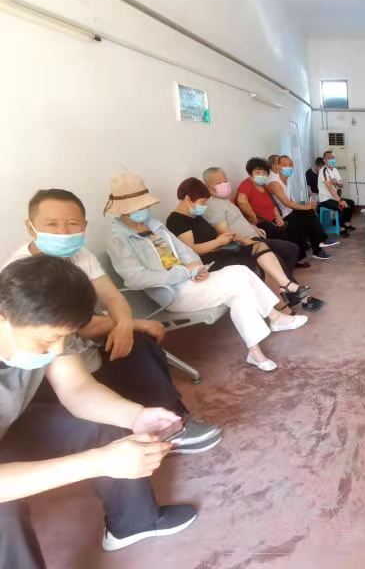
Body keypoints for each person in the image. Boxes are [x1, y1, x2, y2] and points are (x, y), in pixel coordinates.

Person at [0, 255, 197, 564]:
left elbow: (77, 389)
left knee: (98, 427)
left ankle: (133, 523)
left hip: (11, 426)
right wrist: (98, 462)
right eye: (49, 340)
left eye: (63, 337)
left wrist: (135, 415)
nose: (57, 349)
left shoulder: (46, 329)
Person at [6, 189, 221, 455]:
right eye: (52, 224)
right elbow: (72, 328)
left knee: (140, 344)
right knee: (134, 341)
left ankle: (173, 423)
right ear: (30, 227)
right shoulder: (22, 274)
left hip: (85, 344)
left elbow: (112, 296)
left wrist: (124, 325)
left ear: (84, 225)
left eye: (72, 223)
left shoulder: (80, 255)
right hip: (55, 365)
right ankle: (145, 428)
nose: (63, 232)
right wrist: (133, 324)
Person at [105, 173, 306, 372]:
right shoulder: (118, 239)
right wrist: (185, 272)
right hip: (173, 294)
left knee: (240, 294)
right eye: (138, 207)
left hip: (192, 281)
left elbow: (185, 251)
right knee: (240, 275)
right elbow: (135, 278)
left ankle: (255, 352)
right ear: (124, 210)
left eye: (145, 206)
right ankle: (275, 317)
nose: (144, 210)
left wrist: (195, 267)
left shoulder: (154, 226)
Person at [167, 178, 321, 312]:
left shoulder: (195, 216)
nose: (204, 206)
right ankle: (285, 299)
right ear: (188, 199)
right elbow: (192, 250)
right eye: (202, 202)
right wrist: (218, 241)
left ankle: (285, 287)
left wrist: (228, 239)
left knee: (262, 249)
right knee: (263, 261)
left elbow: (211, 237)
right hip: (210, 261)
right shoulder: (176, 220)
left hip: (222, 250)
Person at [268, 156, 337, 260]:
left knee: (310, 213)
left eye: (290, 164)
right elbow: (286, 203)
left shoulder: (286, 179)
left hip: (290, 211)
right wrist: (305, 207)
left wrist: (305, 206)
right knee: (307, 214)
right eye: (284, 164)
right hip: (283, 215)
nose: (288, 167)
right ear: (278, 166)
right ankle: (318, 245)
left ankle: (319, 245)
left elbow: (291, 201)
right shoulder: (274, 182)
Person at [319, 150, 356, 234]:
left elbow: (341, 185)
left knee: (351, 203)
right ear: (324, 160)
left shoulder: (335, 170)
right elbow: (330, 188)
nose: (332, 159)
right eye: (329, 158)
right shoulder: (323, 171)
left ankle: (346, 223)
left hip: (334, 197)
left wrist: (336, 183)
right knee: (342, 206)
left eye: (333, 157)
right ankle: (340, 227)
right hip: (325, 199)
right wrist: (340, 200)